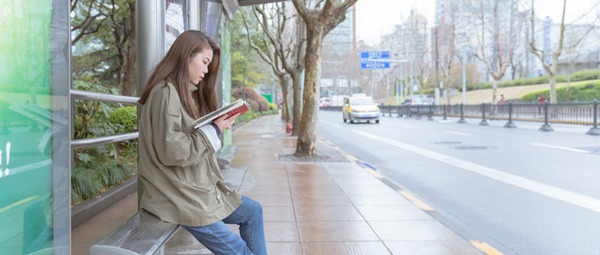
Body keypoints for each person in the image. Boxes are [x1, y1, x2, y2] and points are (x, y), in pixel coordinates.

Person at [137, 30, 266, 255]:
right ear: (186, 56)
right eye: (204, 62)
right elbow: (172, 151)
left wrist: (214, 127)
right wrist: (214, 129)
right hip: (179, 197)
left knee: (253, 212)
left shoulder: (182, 93)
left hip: (195, 191)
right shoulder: (166, 93)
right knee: (241, 251)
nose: (206, 71)